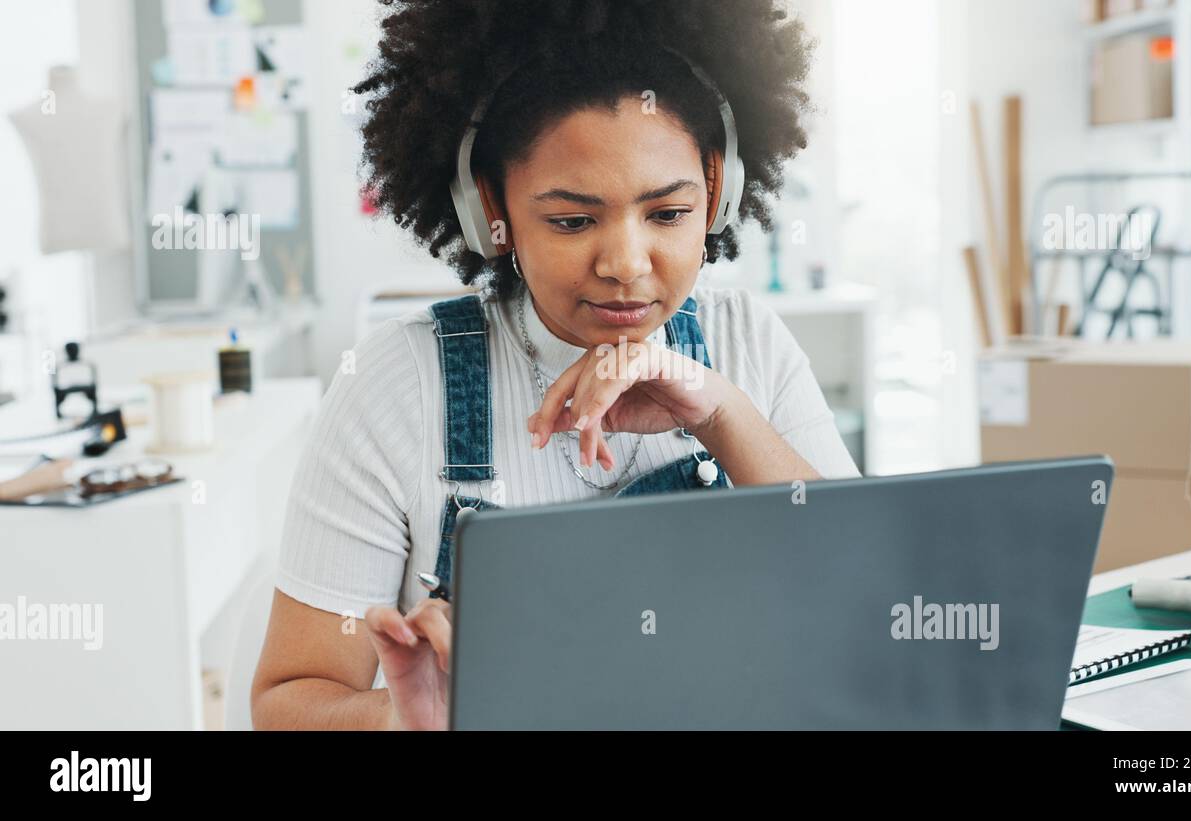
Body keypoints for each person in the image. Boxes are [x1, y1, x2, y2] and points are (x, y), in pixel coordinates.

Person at [251, 0, 858, 730]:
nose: (626, 264)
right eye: (572, 220)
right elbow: (287, 702)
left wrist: (722, 414)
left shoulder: (747, 342)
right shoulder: (397, 384)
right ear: (489, 209)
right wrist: (409, 719)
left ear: (717, 192)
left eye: (667, 214)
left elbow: (863, 603)